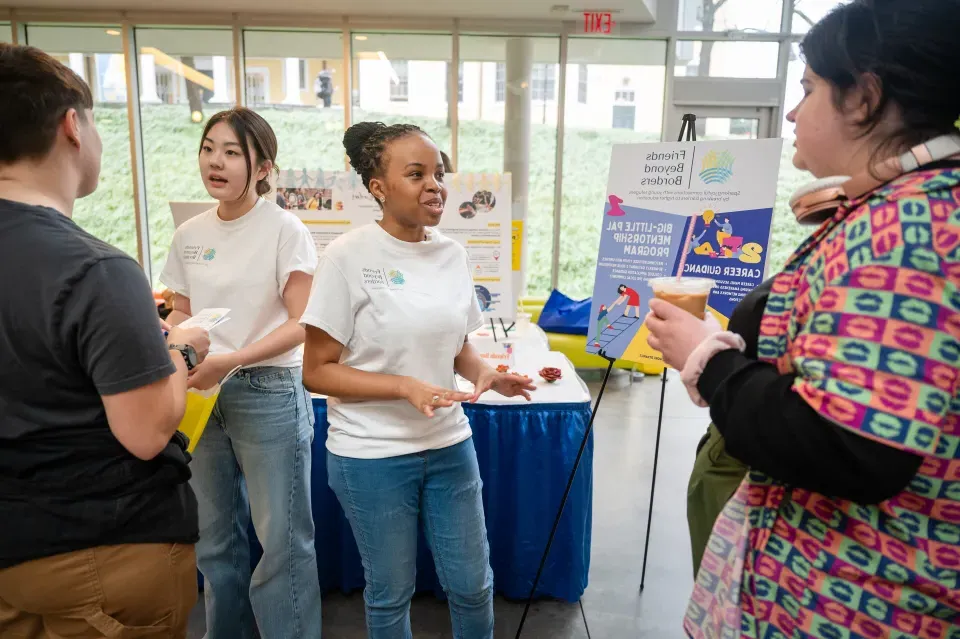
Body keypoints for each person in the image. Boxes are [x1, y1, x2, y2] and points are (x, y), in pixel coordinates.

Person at [646, 1, 960, 636]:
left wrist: (711, 360)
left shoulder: (907, 226)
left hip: (851, 605)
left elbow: (853, 446)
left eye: (810, 88)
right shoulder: (896, 210)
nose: (792, 112)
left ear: (865, 98)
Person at [0, 43, 210, 638]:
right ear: (72, 125)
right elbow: (145, 433)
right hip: (98, 548)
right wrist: (183, 349)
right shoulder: (93, 268)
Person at [301, 121, 537, 639]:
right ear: (378, 188)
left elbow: (456, 346)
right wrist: (404, 386)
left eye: (439, 173)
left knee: (474, 586)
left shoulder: (451, 254)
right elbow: (316, 371)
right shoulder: (345, 257)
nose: (435, 185)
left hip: (449, 445)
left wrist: (486, 374)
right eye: (416, 174)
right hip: (370, 455)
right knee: (390, 595)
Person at [160, 107, 322, 639]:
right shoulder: (189, 233)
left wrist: (232, 359)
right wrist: (177, 344)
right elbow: (182, 311)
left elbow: (304, 322)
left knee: (281, 541)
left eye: (232, 152)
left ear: (262, 167)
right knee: (214, 539)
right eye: (209, 148)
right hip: (201, 394)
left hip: (267, 389)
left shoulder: (284, 229)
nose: (216, 161)